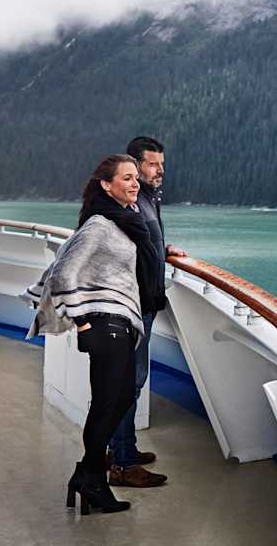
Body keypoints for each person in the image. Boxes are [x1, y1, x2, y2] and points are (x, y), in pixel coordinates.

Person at [25, 154, 150, 514]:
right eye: (126, 178)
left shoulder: (124, 220)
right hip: (105, 326)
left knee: (120, 399)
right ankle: (93, 481)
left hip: (120, 323)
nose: (135, 183)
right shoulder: (99, 224)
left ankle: (87, 473)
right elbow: (63, 273)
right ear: (106, 186)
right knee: (106, 405)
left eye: (136, 177)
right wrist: (80, 320)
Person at [108, 136, 185, 487]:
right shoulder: (129, 201)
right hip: (133, 306)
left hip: (146, 302)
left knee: (130, 382)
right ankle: (122, 464)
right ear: (135, 165)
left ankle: (121, 449)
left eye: (162, 164)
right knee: (129, 383)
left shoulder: (149, 199)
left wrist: (163, 248)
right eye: (153, 164)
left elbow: (142, 241)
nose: (160, 170)